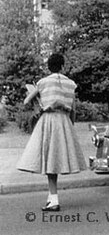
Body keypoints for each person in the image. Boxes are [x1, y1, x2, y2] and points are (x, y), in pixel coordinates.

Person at [17, 53, 86, 212]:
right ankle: (51, 198)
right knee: (56, 160)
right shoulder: (71, 84)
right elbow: (73, 110)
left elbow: (26, 101)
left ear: (49, 66)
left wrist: (35, 95)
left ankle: (54, 200)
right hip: (64, 121)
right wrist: (70, 127)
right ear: (62, 66)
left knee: (50, 161)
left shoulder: (43, 82)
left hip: (48, 120)